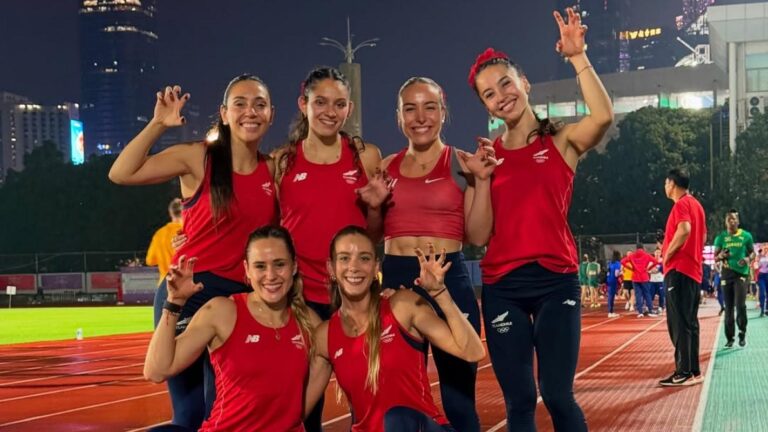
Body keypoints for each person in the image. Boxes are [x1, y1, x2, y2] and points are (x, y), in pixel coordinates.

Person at [467, 7, 613, 430]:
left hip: (556, 281)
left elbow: (602, 117)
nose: (501, 96)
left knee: (557, 393)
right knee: (519, 403)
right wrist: (479, 182)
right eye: (489, 94)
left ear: (524, 83)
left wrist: (578, 56)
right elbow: (477, 235)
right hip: (503, 288)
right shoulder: (486, 157)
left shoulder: (562, 140)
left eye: (506, 84)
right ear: (486, 106)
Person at [109, 75, 279, 428]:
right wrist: (158, 124)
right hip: (189, 293)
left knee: (228, 414)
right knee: (189, 418)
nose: (251, 111)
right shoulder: (197, 157)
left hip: (242, 305)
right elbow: (121, 173)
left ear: (271, 114)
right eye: (241, 104)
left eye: (259, 104)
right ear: (224, 112)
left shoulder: (273, 169)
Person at [273, 66, 386, 431]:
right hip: (301, 298)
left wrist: (373, 208)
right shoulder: (281, 161)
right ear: (302, 104)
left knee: (364, 390)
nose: (329, 111)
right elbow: (265, 228)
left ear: (349, 109)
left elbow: (375, 234)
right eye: (320, 102)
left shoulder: (366, 157)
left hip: (351, 295)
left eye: (338, 104)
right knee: (306, 397)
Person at [379, 76, 489, 432]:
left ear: (444, 112)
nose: (420, 117)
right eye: (409, 108)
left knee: (459, 402)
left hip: (447, 278)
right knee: (392, 396)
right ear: (399, 117)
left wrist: (481, 182)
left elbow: (477, 235)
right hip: (396, 279)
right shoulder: (385, 167)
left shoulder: (462, 163)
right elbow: (370, 232)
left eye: (430, 107)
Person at [306, 226, 485, 432]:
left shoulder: (402, 306)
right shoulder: (325, 336)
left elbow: (473, 351)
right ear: (331, 268)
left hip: (420, 427)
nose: (354, 267)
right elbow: (295, 413)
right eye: (344, 258)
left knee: (397, 419)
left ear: (376, 268)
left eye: (364, 258)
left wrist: (440, 293)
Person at [144, 225, 320, 431]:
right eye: (260, 266)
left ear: (294, 266)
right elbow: (156, 371)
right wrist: (174, 302)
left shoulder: (310, 324)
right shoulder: (223, 311)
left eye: (279, 264)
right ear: (247, 269)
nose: (270, 275)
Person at [659, 168, 706, 386]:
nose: (664, 186)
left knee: (678, 323)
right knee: (689, 322)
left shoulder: (682, 204)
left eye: (665, 182)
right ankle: (693, 370)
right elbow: (701, 235)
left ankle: (683, 371)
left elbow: (684, 229)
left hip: (679, 270)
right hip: (692, 271)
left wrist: (668, 254)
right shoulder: (697, 205)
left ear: (672, 183)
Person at [713, 210, 755, 348]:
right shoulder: (721, 237)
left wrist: (747, 258)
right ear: (725, 222)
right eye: (729, 219)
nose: (732, 221)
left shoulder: (746, 236)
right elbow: (716, 256)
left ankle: (742, 332)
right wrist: (721, 256)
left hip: (741, 274)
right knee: (729, 308)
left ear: (738, 221)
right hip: (727, 274)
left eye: (734, 219)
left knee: (740, 304)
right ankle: (729, 337)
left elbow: (752, 253)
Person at [146, 198, 184, 285]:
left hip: (164, 283)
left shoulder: (159, 234)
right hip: (184, 283)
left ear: (171, 213)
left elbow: (150, 260)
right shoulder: (185, 231)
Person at [622, 244, 656, 318]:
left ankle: (640, 312)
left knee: (638, 295)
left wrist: (631, 268)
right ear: (643, 248)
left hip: (635, 277)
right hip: (644, 277)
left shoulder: (632, 255)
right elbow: (655, 261)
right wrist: (648, 268)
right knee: (647, 294)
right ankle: (650, 310)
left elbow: (623, 262)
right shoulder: (647, 255)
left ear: (636, 248)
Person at [649, 248, 665, 315]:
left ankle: (661, 306)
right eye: (656, 252)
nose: (657, 254)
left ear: (661, 253)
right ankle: (650, 307)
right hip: (652, 281)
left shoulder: (662, 261)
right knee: (651, 295)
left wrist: (654, 270)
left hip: (660, 280)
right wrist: (653, 270)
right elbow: (648, 270)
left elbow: (659, 270)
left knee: (661, 294)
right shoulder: (651, 261)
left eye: (659, 252)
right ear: (654, 253)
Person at [606, 251, 622, 318]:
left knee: (610, 296)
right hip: (613, 281)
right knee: (611, 297)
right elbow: (616, 274)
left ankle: (610, 311)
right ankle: (610, 312)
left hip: (609, 280)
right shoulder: (618, 264)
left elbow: (608, 273)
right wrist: (621, 273)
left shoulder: (610, 263)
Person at [757, 247, 768, 317]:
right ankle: (762, 310)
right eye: (764, 250)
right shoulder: (759, 258)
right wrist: (758, 262)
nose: (765, 251)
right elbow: (756, 266)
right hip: (761, 276)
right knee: (762, 293)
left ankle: (766, 309)